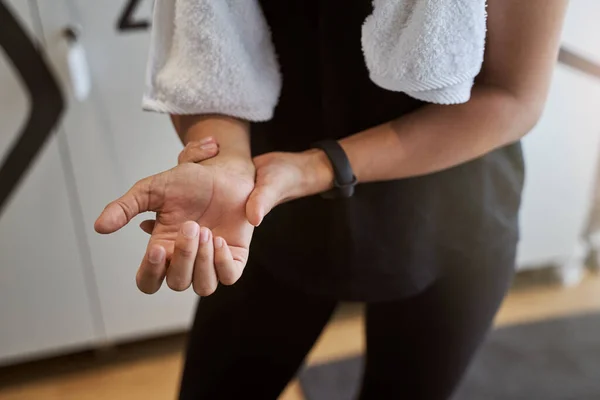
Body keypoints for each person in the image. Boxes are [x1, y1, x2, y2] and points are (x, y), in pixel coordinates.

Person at [95, 0, 569, 398]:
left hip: (448, 211)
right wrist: (225, 161)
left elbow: (513, 96)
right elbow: (208, 52)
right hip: (263, 207)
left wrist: (317, 168)